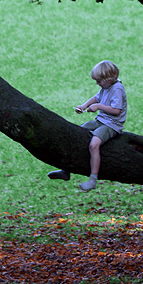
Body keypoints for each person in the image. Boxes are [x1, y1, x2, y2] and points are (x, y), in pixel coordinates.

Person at [47, 60, 127, 191]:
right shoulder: (106, 87)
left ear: (109, 80)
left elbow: (116, 110)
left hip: (112, 125)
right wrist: (84, 106)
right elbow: (96, 97)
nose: (97, 83)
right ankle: (66, 169)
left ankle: (93, 179)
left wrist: (98, 107)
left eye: (99, 81)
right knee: (76, 133)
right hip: (101, 120)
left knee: (93, 144)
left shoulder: (117, 88)